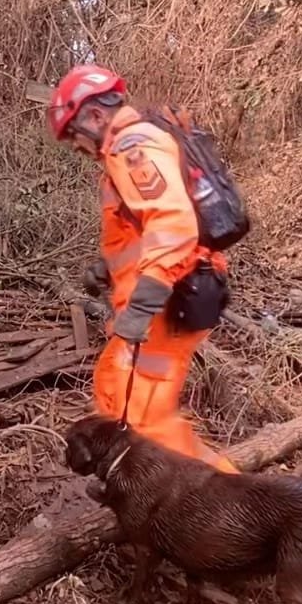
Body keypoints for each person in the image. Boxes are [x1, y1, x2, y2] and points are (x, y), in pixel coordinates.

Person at [46, 65, 238, 473]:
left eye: (74, 136)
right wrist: (107, 268)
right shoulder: (128, 150)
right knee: (113, 388)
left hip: (167, 304)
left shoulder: (133, 147)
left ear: (95, 116)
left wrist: (141, 307)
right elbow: (144, 230)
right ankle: (160, 498)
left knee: (145, 422)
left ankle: (227, 504)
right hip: (156, 299)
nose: (76, 147)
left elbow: (173, 226)